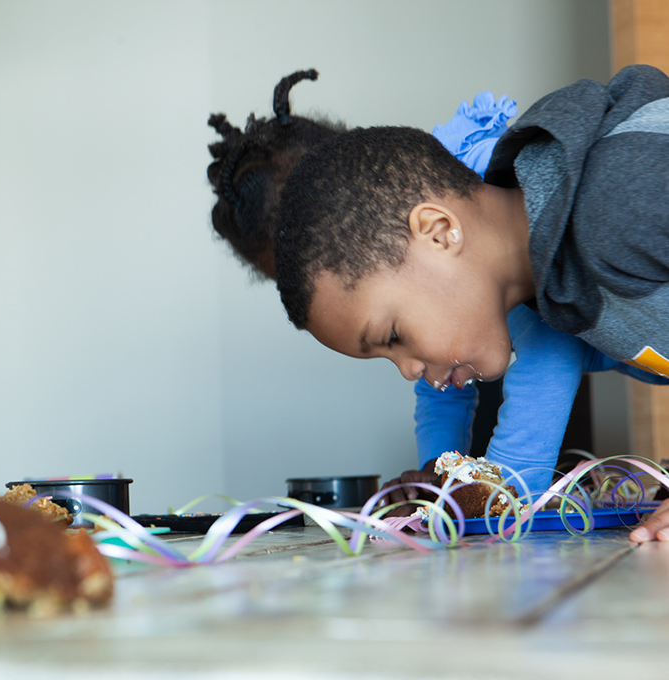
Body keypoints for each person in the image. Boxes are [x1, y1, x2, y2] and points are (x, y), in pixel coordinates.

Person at [207, 70, 663, 515]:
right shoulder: (537, 276)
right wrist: (447, 476)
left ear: (439, 232)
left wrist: (506, 481)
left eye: (392, 336)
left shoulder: (610, 201)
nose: (408, 372)